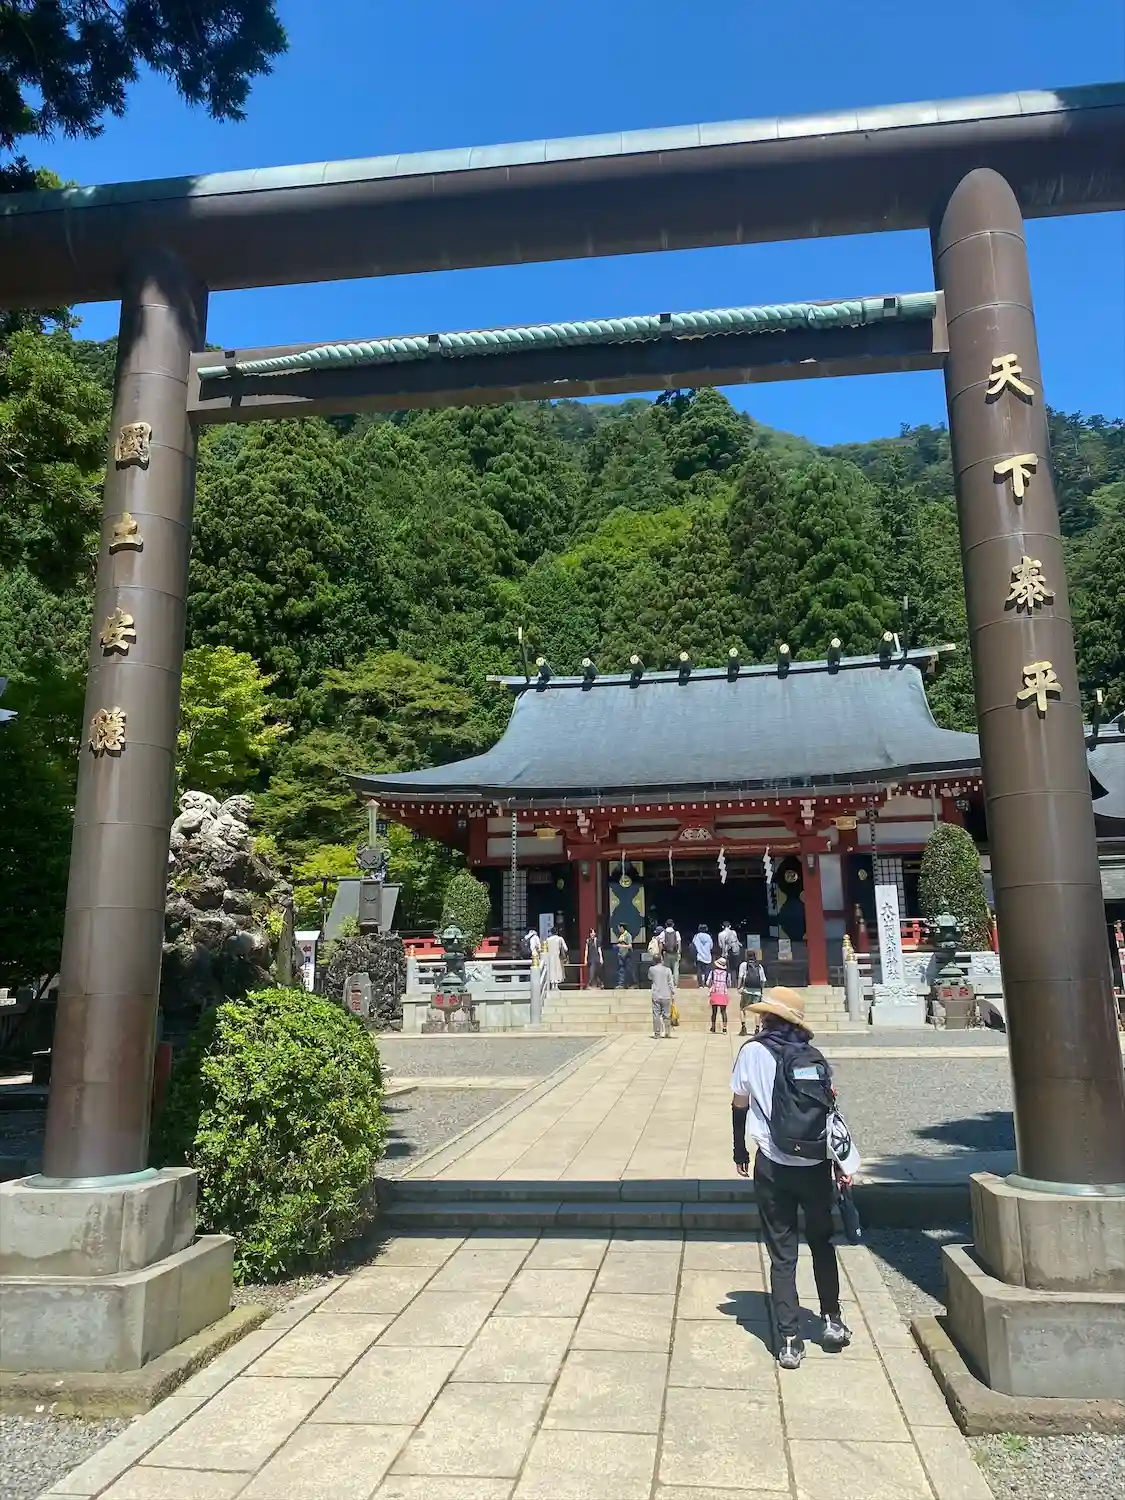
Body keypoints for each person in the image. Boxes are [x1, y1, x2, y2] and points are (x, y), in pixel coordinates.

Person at [730, 987, 858, 1370]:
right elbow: (829, 1111)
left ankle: (789, 1339)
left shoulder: (751, 1052)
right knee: (822, 1242)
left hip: (773, 1164)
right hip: (815, 1164)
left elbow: (739, 1103)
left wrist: (740, 1150)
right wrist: (841, 1163)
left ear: (766, 1017)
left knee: (782, 1252)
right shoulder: (811, 1055)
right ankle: (832, 1320)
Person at [737, 949, 767, 1036]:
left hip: (746, 990)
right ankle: (757, 1029)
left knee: (742, 1008)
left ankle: (743, 1027)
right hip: (757, 991)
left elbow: (740, 977)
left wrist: (738, 987)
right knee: (757, 1011)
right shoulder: (759, 966)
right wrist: (761, 990)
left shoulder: (744, 965)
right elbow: (763, 980)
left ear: (746, 956)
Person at [649, 951, 676, 1039]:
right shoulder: (668, 970)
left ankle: (657, 1033)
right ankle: (667, 1032)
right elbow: (670, 982)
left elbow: (650, 977)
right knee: (666, 1015)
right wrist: (673, 993)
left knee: (656, 1014)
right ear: (661, 960)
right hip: (666, 994)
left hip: (656, 994)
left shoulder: (651, 969)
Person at [709, 955, 730, 1033]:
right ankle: (724, 1028)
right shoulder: (727, 974)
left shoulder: (712, 972)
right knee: (723, 1011)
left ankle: (713, 1027)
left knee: (714, 1012)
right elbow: (729, 984)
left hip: (715, 992)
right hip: (723, 993)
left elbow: (708, 982)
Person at [691, 923, 714, 988]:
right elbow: (711, 946)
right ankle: (706, 984)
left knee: (699, 971)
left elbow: (693, 945)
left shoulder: (696, 936)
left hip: (699, 956)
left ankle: (700, 985)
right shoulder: (708, 936)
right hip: (707, 956)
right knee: (707, 970)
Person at [659, 918, 682, 984]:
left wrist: (660, 953)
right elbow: (679, 943)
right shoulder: (676, 933)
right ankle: (675, 984)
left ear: (666, 924)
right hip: (675, 953)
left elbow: (660, 943)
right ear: (673, 925)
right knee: (675, 969)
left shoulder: (663, 933)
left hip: (666, 953)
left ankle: (668, 983)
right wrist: (679, 952)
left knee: (667, 969)